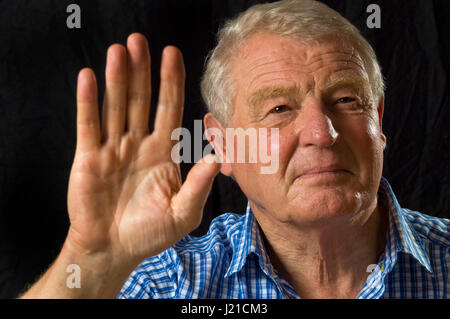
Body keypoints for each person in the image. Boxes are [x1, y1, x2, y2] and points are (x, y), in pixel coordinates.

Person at [20, 0, 448, 299]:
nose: (322, 133)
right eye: (279, 108)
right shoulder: (170, 285)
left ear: (379, 119)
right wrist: (91, 261)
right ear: (223, 144)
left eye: (346, 101)